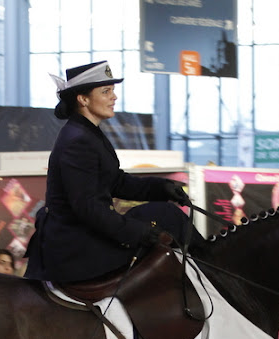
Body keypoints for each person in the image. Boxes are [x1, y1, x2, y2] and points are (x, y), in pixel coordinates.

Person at [24, 60, 198, 284]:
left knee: (167, 213)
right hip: (75, 246)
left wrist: (162, 187)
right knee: (164, 228)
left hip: (86, 233)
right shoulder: (77, 140)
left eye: (113, 91)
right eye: (106, 91)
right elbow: (87, 207)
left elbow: (116, 183)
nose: (114, 97)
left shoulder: (88, 133)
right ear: (83, 99)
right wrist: (137, 232)